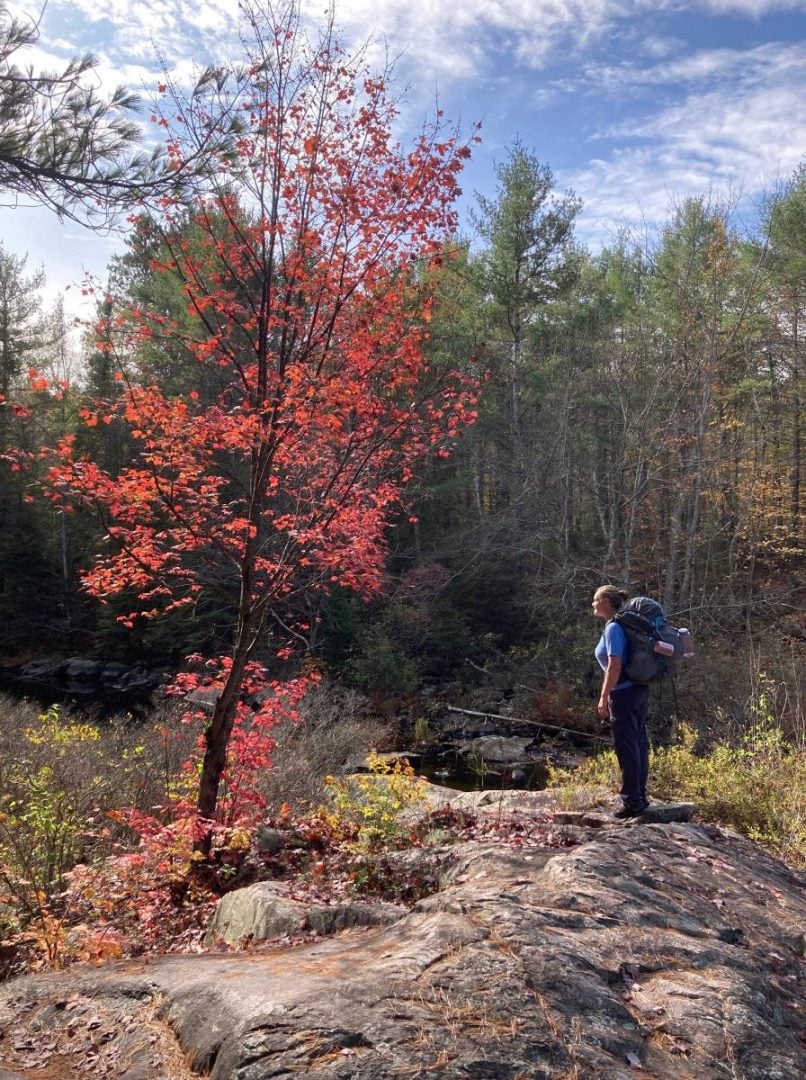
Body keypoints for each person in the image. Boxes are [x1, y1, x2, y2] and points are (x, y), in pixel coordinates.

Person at [592, 585, 650, 819]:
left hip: (623, 694)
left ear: (606, 601)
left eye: (595, 600)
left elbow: (614, 665)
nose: (592, 604)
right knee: (638, 743)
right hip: (637, 691)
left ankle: (631, 801)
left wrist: (604, 696)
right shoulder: (622, 626)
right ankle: (640, 796)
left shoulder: (614, 628)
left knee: (627, 747)